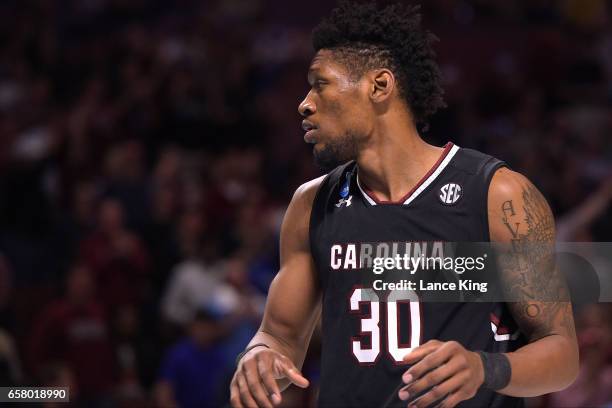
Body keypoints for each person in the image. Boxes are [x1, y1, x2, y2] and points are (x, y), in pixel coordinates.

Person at [230, 2, 578, 407]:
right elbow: (279, 336)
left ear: (379, 86)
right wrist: (258, 356)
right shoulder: (312, 204)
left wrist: (485, 368)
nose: (305, 104)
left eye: (320, 84)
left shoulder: (497, 195)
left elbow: (562, 353)